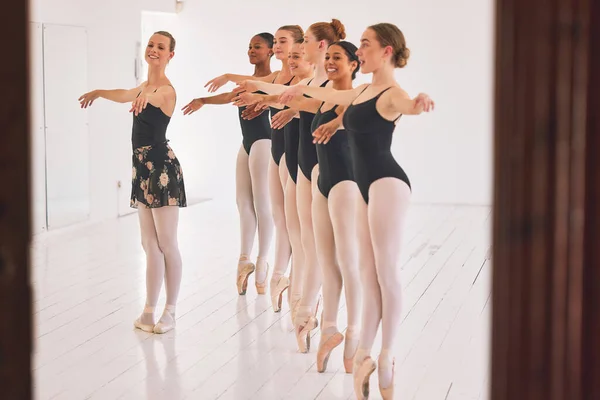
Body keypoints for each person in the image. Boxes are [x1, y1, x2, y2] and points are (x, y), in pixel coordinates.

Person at [277, 23, 434, 399]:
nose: (359, 50)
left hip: (387, 184)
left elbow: (406, 106)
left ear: (386, 51)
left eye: (365, 44)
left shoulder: (393, 92)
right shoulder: (363, 90)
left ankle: (388, 354)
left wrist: (419, 101)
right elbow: (338, 104)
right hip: (366, 189)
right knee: (366, 271)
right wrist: (325, 116)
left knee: (385, 272)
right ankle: (364, 348)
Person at [234, 19, 347, 353]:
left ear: (321, 47)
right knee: (299, 237)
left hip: (319, 169)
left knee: (320, 247)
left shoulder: (328, 84)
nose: (300, 49)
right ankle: (304, 308)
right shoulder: (311, 81)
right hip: (297, 163)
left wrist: (288, 105)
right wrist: (275, 102)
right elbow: (289, 94)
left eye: (305, 43)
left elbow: (311, 100)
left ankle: (315, 314)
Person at [78, 31, 186, 334]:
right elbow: (126, 93)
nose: (153, 50)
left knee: (167, 243)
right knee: (149, 244)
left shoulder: (165, 91)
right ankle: (149, 311)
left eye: (160, 47)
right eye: (151, 45)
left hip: (162, 169)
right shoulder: (144, 86)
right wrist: (98, 91)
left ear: (170, 56)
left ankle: (171, 311)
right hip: (142, 169)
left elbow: (150, 98)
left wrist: (143, 98)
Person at [181, 33, 275, 296]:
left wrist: (229, 74)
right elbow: (230, 97)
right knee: (242, 202)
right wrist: (203, 100)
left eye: (258, 47)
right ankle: (244, 260)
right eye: (249, 46)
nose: (251, 50)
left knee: (262, 203)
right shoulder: (246, 83)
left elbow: (258, 84)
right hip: (247, 143)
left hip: (264, 143)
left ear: (270, 51)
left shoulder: (275, 78)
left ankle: (263, 260)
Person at [310, 41, 362, 374]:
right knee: (326, 261)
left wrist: (336, 122)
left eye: (337, 58)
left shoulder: (356, 97)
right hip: (322, 183)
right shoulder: (326, 92)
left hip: (346, 182)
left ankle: (355, 331)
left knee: (348, 260)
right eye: (327, 57)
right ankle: (329, 327)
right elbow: (300, 96)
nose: (329, 62)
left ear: (354, 64)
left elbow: (348, 115)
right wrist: (266, 96)